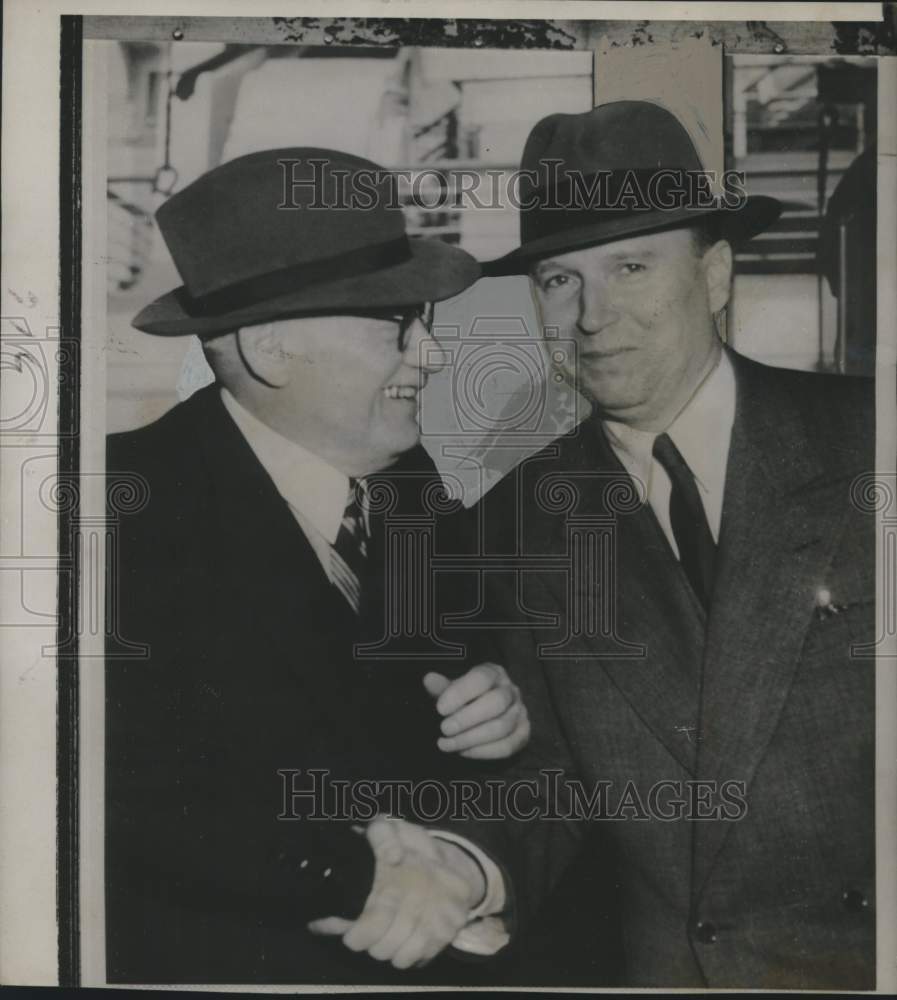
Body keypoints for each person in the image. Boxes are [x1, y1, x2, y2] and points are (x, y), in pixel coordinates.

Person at [435, 101, 875, 989]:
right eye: (559, 280)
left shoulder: (870, 442)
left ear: (713, 277)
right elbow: (546, 787)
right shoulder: (511, 525)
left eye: (630, 266)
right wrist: (467, 871)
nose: (592, 316)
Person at [105, 147, 529, 984]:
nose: (431, 358)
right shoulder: (117, 512)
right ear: (268, 348)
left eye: (423, 323)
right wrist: (356, 876)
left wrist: (501, 712)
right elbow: (125, 800)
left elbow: (443, 701)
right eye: (394, 327)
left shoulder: (412, 485)